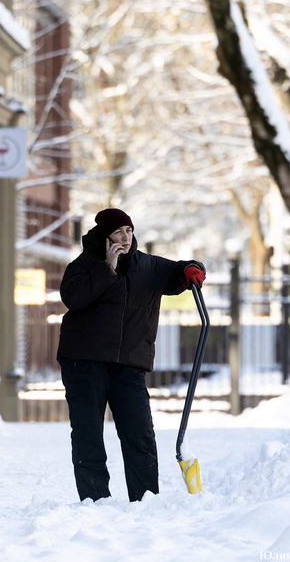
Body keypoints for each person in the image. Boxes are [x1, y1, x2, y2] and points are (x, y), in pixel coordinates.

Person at [57, 208, 205, 502]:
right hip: (85, 362)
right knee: (88, 435)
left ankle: (146, 500)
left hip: (129, 365)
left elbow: (179, 270)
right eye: (118, 233)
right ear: (105, 236)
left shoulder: (147, 267)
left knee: (140, 435)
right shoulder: (84, 265)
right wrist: (107, 268)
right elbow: (73, 298)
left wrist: (192, 269)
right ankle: (95, 501)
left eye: (128, 231)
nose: (125, 238)